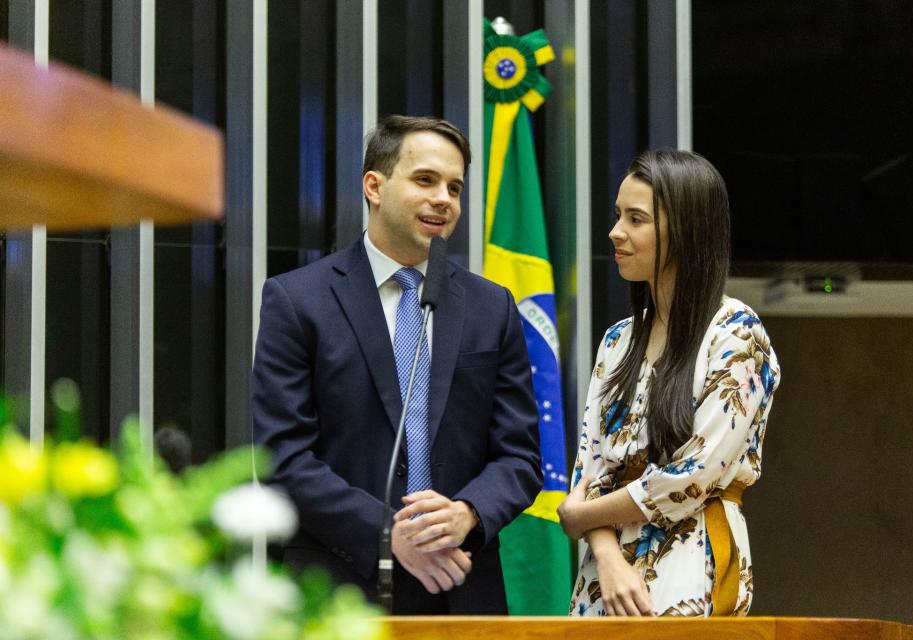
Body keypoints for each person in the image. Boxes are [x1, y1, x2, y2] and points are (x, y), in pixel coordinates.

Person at [251, 115, 541, 615]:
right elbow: (282, 457)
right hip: (338, 587)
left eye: (454, 187)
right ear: (374, 186)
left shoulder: (492, 307)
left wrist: (467, 513)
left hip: (461, 584)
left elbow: (520, 456)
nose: (444, 200)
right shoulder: (298, 301)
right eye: (425, 180)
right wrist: (389, 534)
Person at [559, 148, 781, 617]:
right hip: (601, 576)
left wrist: (582, 518)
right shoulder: (618, 339)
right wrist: (604, 554)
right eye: (618, 215)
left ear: (685, 232)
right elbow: (588, 469)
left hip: (692, 558)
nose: (615, 232)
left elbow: (693, 479)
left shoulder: (737, 332)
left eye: (635, 219)